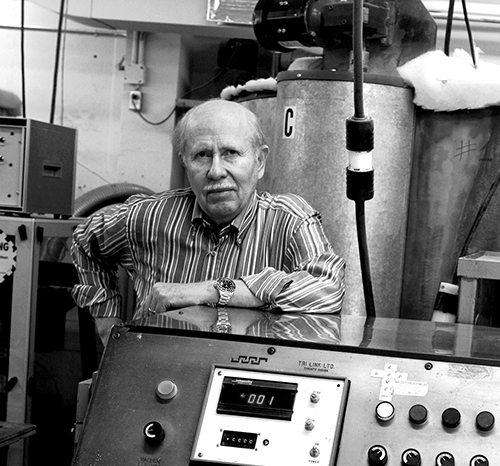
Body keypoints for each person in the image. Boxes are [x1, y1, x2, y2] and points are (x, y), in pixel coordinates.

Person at [70, 98, 345, 346]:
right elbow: (85, 240)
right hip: (156, 371)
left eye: (231, 153)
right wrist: (108, 325)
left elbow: (327, 290)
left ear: (259, 162)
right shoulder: (149, 217)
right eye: (202, 155)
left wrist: (210, 290)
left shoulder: (289, 219)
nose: (216, 171)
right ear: (184, 163)